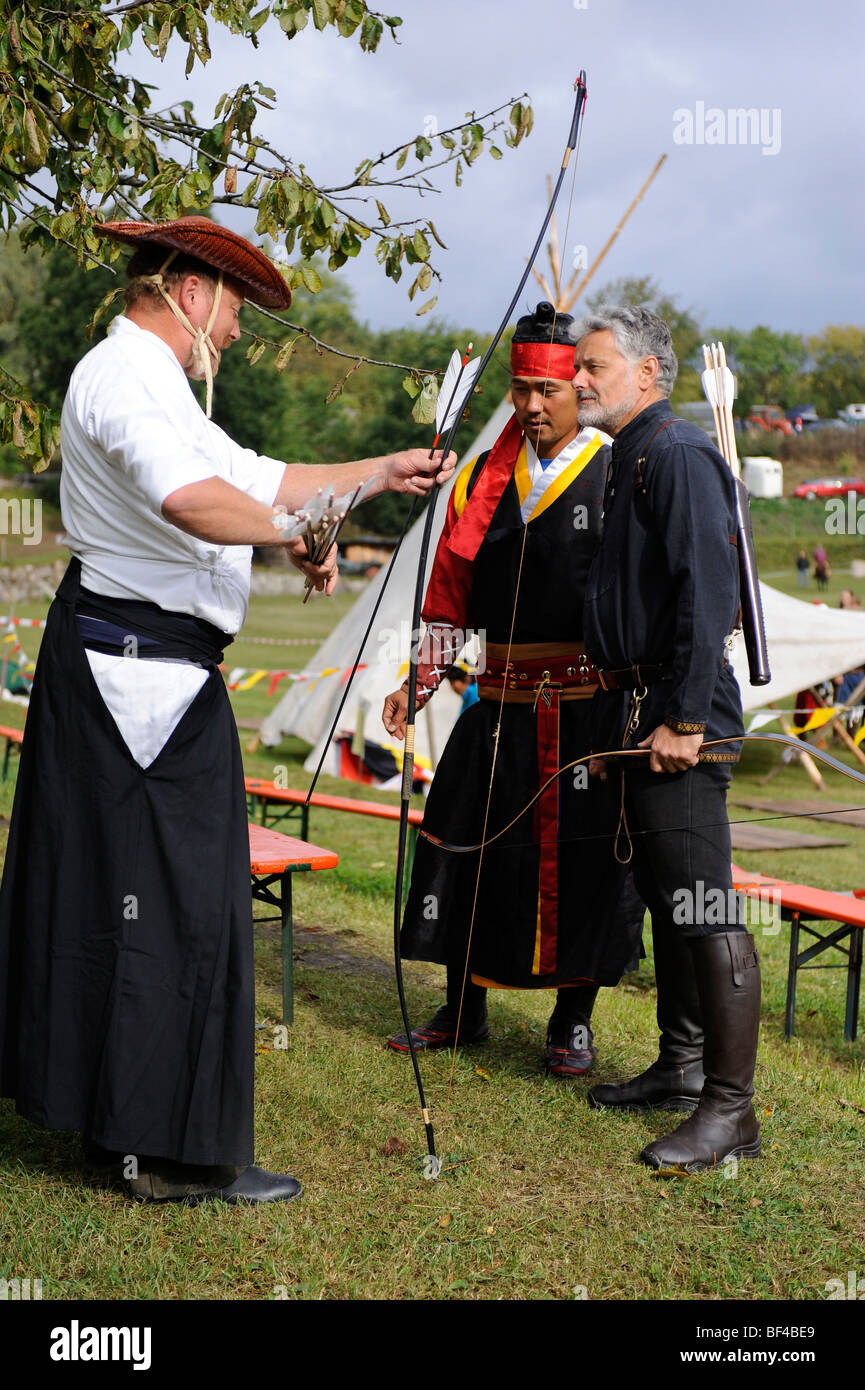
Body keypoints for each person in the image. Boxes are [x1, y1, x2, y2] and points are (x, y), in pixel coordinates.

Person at [0, 216, 455, 1206]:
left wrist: (377, 473)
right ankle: (167, 1152)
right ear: (190, 290)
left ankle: (121, 1128)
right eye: (237, 307)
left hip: (146, 674)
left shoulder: (157, 382)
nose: (241, 330)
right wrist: (296, 530)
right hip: (137, 679)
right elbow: (190, 500)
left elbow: (257, 479)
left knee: (137, 898)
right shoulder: (122, 377)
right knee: (181, 907)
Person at [382, 302, 644, 1079]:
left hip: (586, 712)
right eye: (519, 389)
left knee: (583, 863)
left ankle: (572, 1021)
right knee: (468, 852)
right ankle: (462, 1008)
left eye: (546, 390)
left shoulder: (617, 472)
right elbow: (450, 594)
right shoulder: (481, 479)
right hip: (494, 705)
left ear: (578, 389)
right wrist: (419, 680)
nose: (530, 405)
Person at [573, 305, 761, 1173]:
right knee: (665, 900)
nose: (578, 380)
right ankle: (682, 1066)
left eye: (594, 366)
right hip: (635, 710)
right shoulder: (629, 455)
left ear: (646, 374)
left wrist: (684, 719)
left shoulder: (677, 452)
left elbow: (707, 591)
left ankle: (730, 1112)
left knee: (704, 909)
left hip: (681, 717)